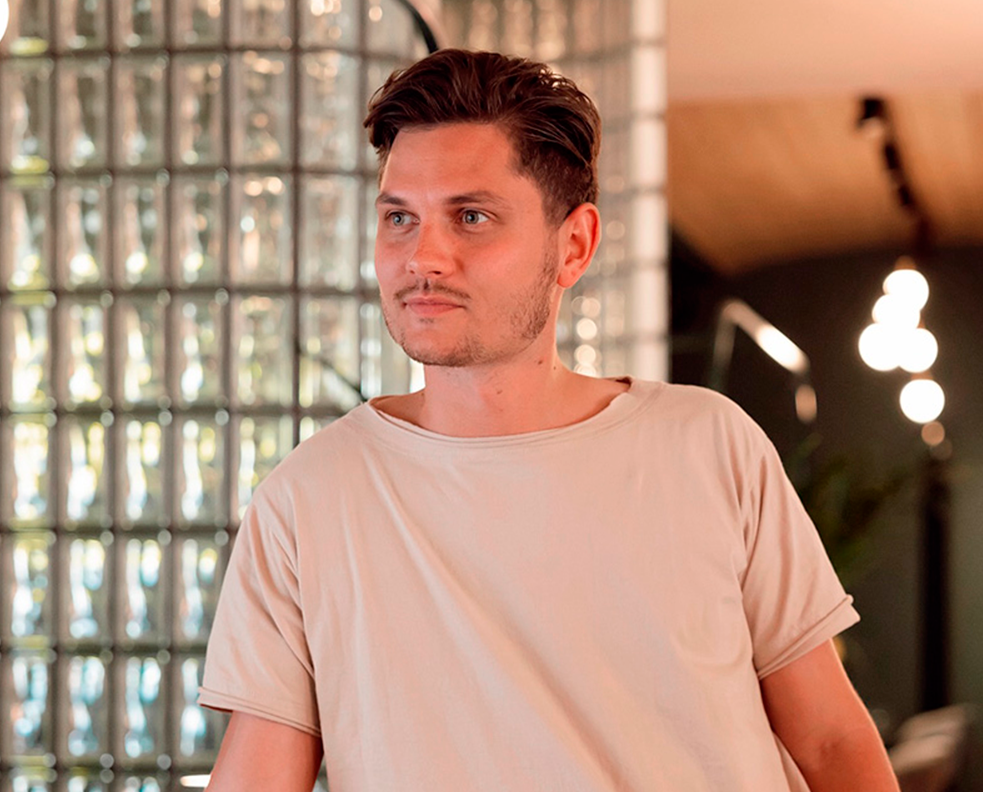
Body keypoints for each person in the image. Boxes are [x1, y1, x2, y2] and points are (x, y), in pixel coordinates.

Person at [198, 49, 900, 791]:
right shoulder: (307, 500)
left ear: (574, 246)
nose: (423, 256)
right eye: (399, 218)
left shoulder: (708, 445)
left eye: (471, 217)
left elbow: (831, 742)